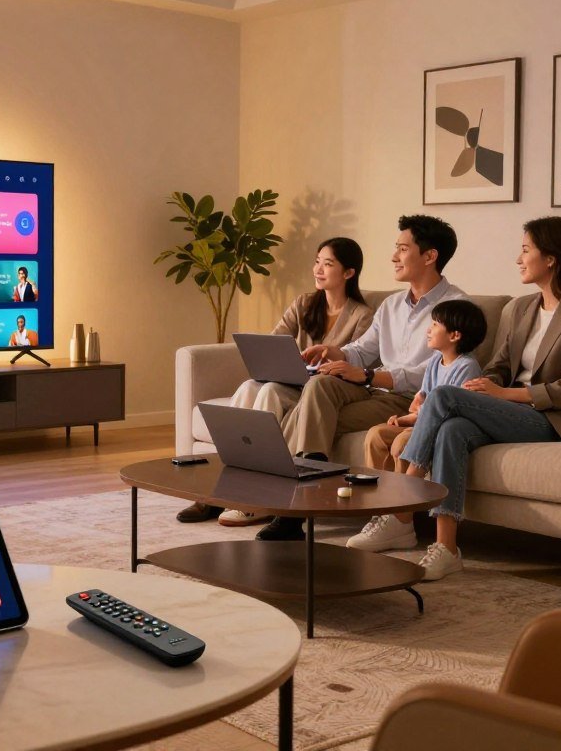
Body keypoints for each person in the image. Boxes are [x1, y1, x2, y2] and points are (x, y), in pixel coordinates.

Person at [382, 217, 561, 581]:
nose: (518, 258)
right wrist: (483, 388)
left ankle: (400, 512)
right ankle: (447, 548)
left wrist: (503, 394)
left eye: (525, 250)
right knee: (452, 429)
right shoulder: (519, 309)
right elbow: (500, 366)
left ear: (550, 258)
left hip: (551, 419)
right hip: (506, 409)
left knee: (441, 397)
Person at [258, 215, 466, 541]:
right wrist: (335, 353)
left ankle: (286, 504)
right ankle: (294, 501)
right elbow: (362, 348)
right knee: (320, 384)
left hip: (407, 402)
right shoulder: (392, 305)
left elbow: (438, 371)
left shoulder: (455, 306)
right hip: (374, 392)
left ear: (430, 256)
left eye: (402, 249)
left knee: (309, 414)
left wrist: (370, 374)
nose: (394, 257)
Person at [179, 237, 374, 527]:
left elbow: (360, 363)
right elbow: (273, 341)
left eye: (328, 264)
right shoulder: (304, 304)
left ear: (348, 273)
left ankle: (259, 497)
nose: (318, 269)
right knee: (249, 387)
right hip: (291, 380)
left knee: (269, 391)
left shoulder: (363, 315)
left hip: (322, 390)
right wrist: (283, 359)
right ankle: (222, 491)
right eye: (317, 261)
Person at [362, 299, 486, 477]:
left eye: (435, 325)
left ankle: (402, 500)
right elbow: (421, 402)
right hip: (422, 423)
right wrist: (406, 418)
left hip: (437, 428)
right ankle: (376, 495)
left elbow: (448, 413)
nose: (428, 330)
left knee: (401, 444)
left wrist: (419, 412)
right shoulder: (435, 360)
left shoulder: (467, 367)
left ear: (454, 336)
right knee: (376, 435)